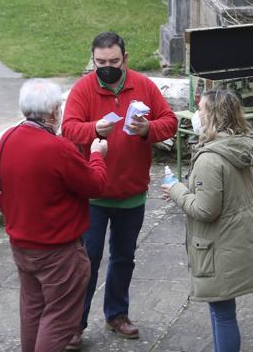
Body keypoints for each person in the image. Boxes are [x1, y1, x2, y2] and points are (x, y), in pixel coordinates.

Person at [61, 31, 177, 348]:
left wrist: (147, 130)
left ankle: (117, 315)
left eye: (113, 61)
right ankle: (75, 324)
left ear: (125, 58)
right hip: (94, 195)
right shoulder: (83, 89)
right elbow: (68, 128)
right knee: (88, 260)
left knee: (124, 259)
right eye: (100, 62)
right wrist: (94, 129)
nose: (107, 67)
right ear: (93, 60)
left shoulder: (143, 85)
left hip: (132, 193)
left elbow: (170, 121)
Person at [0, 79, 108, 352]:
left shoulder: (8, 138)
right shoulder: (57, 148)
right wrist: (97, 154)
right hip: (58, 250)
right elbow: (95, 185)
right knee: (59, 319)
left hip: (22, 244)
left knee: (33, 310)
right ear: (55, 111)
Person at [161, 89, 253, 352]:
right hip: (237, 241)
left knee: (222, 314)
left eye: (201, 109)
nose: (196, 114)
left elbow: (206, 210)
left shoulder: (210, 159)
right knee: (223, 309)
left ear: (214, 117)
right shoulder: (240, 144)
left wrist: (176, 190)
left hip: (219, 249)